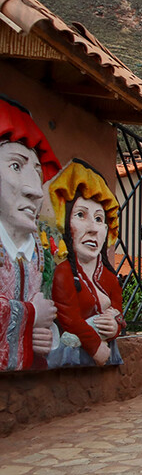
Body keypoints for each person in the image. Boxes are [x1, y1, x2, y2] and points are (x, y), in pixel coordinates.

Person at [0, 96, 60, 371]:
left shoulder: (39, 253)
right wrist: (32, 315)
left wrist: (43, 337)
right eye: (15, 166)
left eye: (38, 172)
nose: (35, 190)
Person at [48, 160, 125, 367]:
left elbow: (118, 311)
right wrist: (94, 345)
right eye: (81, 215)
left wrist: (114, 326)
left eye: (99, 219)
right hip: (73, 356)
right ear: (66, 224)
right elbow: (69, 317)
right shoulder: (64, 273)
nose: (93, 228)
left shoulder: (109, 278)